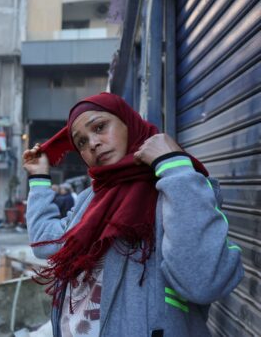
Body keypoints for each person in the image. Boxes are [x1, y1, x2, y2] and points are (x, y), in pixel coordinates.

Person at [23, 92, 243, 336]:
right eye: (81, 142)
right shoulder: (92, 199)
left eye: (99, 127)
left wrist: (174, 166)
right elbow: (47, 244)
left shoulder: (178, 188)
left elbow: (204, 281)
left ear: (128, 122)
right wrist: (39, 178)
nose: (93, 143)